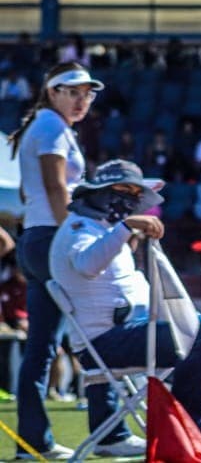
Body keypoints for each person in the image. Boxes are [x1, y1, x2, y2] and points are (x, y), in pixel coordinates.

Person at [48, 160, 201, 441]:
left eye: (135, 193)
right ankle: (178, 439)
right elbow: (87, 264)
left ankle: (196, 435)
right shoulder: (80, 226)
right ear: (99, 191)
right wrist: (125, 228)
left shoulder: (106, 226)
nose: (130, 198)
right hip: (103, 342)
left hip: (129, 331)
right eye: (122, 189)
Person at [8, 63, 142, 459]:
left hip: (36, 239)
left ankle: (33, 442)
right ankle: (109, 433)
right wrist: (79, 234)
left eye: (88, 92)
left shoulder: (47, 125)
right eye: (73, 91)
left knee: (43, 348)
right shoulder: (51, 127)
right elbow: (54, 188)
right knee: (97, 329)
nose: (83, 99)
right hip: (52, 239)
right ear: (53, 92)